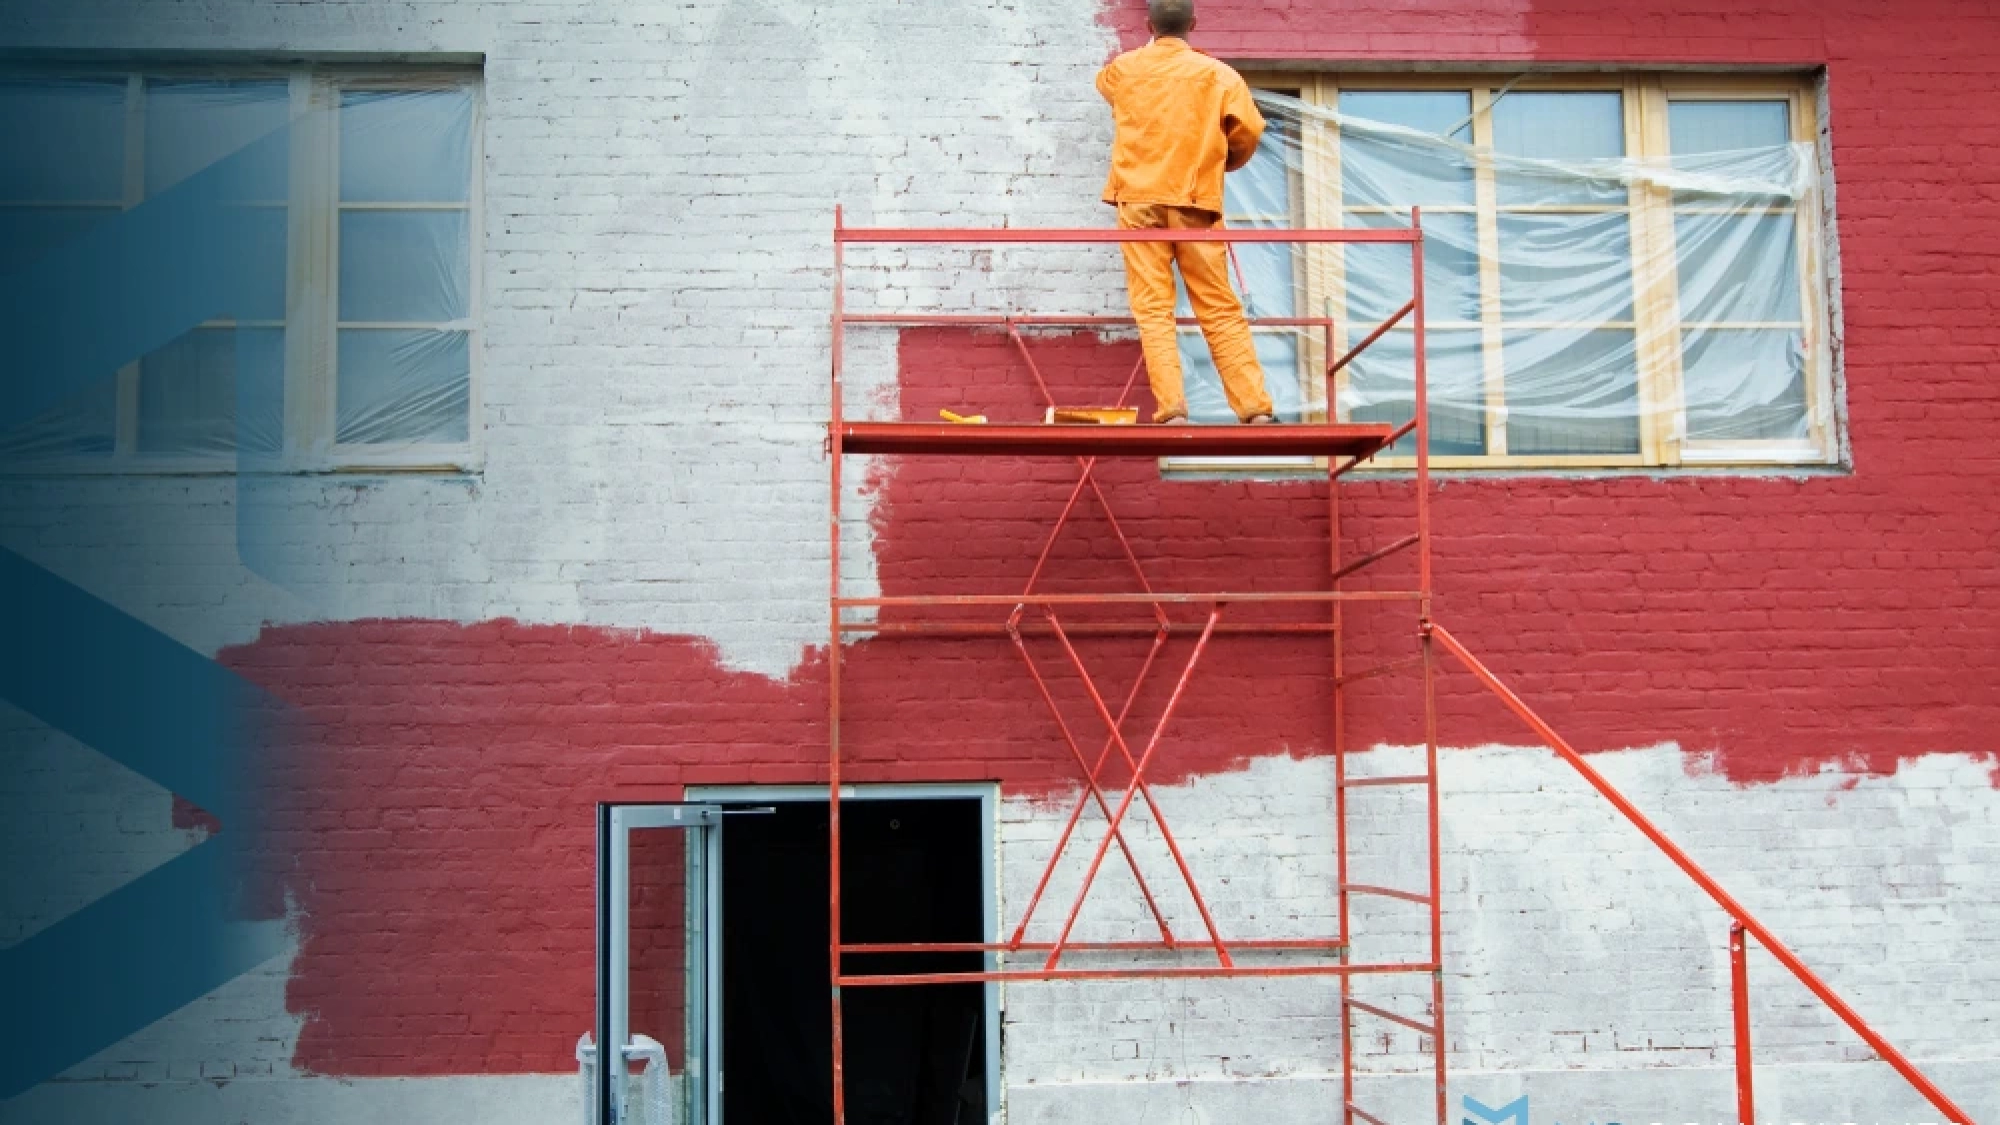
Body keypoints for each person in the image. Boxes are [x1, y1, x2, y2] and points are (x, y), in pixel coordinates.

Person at [1096, 0, 1275, 425]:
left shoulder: (1125, 69)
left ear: (1148, 24)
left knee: (1154, 307)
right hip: (1196, 200)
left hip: (1139, 202)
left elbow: (1105, 85)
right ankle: (1253, 409)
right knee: (1217, 306)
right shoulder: (1219, 76)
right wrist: (1223, 162)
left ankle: (1173, 409)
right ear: (1194, 24)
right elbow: (1250, 130)